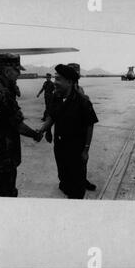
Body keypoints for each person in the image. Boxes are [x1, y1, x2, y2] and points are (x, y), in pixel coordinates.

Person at [0, 53, 43, 197]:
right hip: (2, 153)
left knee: (1, 189)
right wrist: (36, 134)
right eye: (17, 71)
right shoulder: (1, 92)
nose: (19, 74)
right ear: (7, 71)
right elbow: (18, 125)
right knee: (6, 192)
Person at [39, 64, 98, 199]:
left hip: (76, 149)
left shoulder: (83, 101)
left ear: (69, 82)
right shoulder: (56, 96)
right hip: (59, 146)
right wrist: (43, 130)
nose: (55, 82)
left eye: (58, 79)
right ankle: (65, 185)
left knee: (76, 186)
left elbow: (90, 125)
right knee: (63, 174)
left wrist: (86, 150)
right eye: (55, 78)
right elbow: (52, 116)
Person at [67, 63, 97, 191]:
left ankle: (82, 181)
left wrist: (86, 147)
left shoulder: (81, 91)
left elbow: (89, 121)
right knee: (68, 160)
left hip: (80, 133)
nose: (76, 75)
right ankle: (68, 182)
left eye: (77, 72)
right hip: (67, 133)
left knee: (82, 160)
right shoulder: (62, 91)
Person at [36, 73, 55, 142]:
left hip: (50, 97)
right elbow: (42, 89)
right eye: (47, 77)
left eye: (49, 77)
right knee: (47, 107)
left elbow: (55, 90)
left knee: (49, 108)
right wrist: (38, 93)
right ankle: (46, 117)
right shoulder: (45, 83)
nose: (47, 78)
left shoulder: (52, 84)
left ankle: (46, 118)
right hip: (46, 97)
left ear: (50, 77)